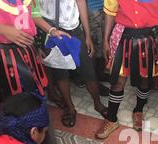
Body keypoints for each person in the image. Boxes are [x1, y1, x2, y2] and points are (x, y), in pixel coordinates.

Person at [95, 0, 158, 138]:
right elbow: (110, 12)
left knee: (145, 78)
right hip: (123, 35)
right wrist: (106, 40)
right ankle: (111, 119)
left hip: (148, 38)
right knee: (118, 80)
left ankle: (138, 110)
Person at [0, 0, 69, 102]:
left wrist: (51, 30)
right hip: (2, 53)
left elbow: (32, 13)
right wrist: (2, 29)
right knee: (16, 102)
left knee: (36, 95)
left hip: (27, 47)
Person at [38, 0, 108, 128]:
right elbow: (32, 12)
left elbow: (81, 3)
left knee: (88, 70)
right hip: (49, 30)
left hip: (73, 29)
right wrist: (51, 30)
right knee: (60, 73)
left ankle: (98, 104)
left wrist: (87, 35)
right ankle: (70, 108)